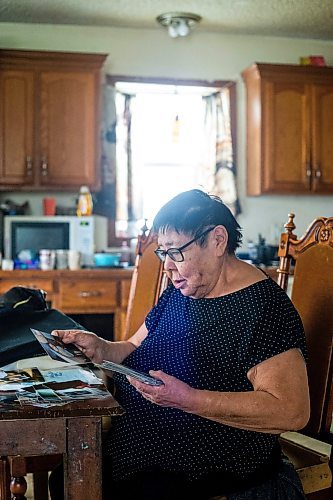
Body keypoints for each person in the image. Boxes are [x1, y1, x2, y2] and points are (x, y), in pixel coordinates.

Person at [50, 189, 309, 500]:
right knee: (66, 477)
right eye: (163, 253)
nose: (168, 267)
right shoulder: (186, 289)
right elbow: (135, 345)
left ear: (217, 240)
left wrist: (188, 399)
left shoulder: (262, 308)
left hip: (210, 466)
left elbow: (291, 410)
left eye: (176, 251)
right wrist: (101, 348)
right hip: (139, 451)